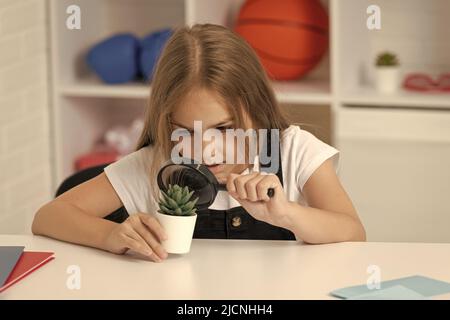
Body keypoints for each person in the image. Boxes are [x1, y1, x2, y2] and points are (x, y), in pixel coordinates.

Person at [32, 24, 365, 263]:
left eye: (224, 128)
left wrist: (288, 214)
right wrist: (110, 235)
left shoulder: (293, 151)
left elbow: (353, 231)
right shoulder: (155, 163)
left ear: (257, 111)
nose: (206, 150)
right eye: (186, 131)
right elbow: (49, 217)